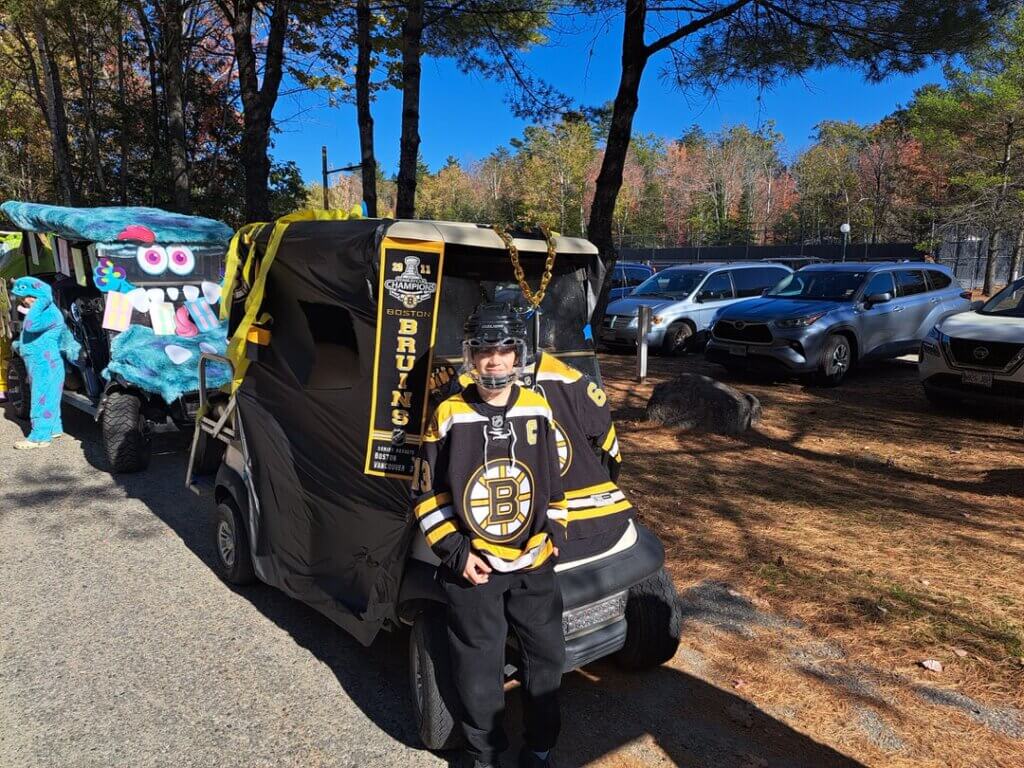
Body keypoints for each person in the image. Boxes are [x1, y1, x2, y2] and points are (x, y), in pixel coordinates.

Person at [412, 302, 567, 768]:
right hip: (474, 569)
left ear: (519, 354)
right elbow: (425, 494)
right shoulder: (448, 414)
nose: (494, 360)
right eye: (484, 350)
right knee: (479, 670)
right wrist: (457, 553)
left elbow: (554, 481)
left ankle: (539, 748)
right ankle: (486, 757)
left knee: (548, 660)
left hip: (533, 564)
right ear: (470, 354)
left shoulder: (539, 406)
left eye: (504, 349)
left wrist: (554, 531)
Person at [9, 277, 80, 449]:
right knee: (49, 398)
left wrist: (41, 301)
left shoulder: (46, 312)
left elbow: (32, 326)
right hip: (43, 363)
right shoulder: (48, 311)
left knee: (41, 399)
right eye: (23, 298)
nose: (25, 301)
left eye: (28, 297)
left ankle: (39, 437)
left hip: (45, 364)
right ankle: (53, 429)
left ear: (39, 295)